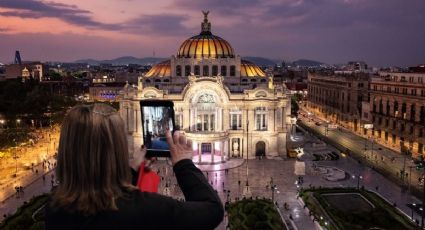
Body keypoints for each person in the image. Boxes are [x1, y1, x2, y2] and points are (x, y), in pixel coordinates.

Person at [45, 104, 223, 230]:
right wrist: (184, 163)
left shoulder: (55, 205)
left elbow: (101, 195)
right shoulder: (145, 210)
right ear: (118, 150)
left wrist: (132, 169)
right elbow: (213, 210)